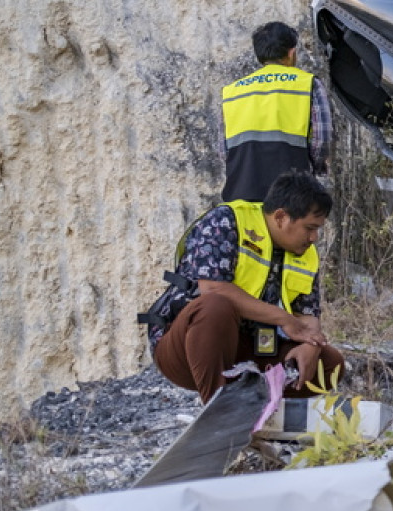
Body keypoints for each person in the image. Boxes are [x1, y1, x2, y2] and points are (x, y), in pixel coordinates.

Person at [144, 172, 345, 403]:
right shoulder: (226, 221)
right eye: (309, 228)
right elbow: (212, 288)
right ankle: (219, 409)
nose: (314, 237)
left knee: (330, 364)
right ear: (281, 217)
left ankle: (257, 405)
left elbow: (309, 318)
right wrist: (283, 318)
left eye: (318, 229)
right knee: (215, 306)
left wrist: (310, 346)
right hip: (189, 347)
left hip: (253, 349)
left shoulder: (306, 255)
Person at [220, 22, 332, 203]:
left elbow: (224, 150)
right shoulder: (308, 84)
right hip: (292, 195)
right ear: (291, 52)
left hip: (241, 196)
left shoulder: (232, 91)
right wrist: (316, 169)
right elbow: (322, 139)